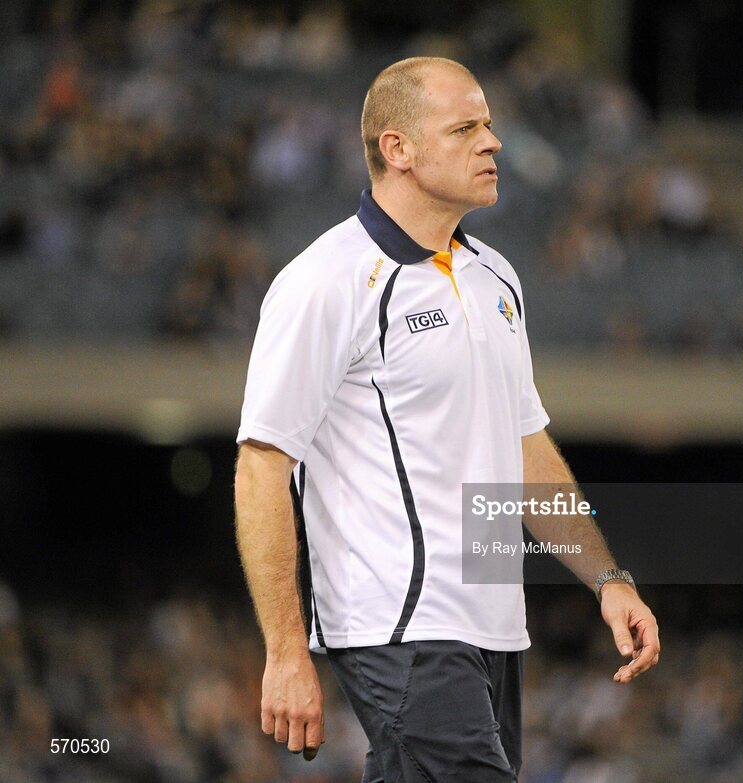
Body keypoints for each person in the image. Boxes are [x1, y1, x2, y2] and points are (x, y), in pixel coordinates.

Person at [234, 56, 660, 782]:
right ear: (397, 148)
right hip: (398, 627)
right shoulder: (325, 281)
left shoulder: (496, 276)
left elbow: (525, 447)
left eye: (488, 125)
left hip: (495, 632)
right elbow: (261, 466)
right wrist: (284, 650)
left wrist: (607, 578)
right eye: (465, 128)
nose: (493, 142)